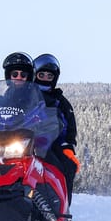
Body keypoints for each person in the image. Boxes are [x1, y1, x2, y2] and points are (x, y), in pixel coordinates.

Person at [33, 53, 79, 205]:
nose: (45, 78)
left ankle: (62, 211)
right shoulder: (24, 95)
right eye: (41, 74)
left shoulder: (60, 101)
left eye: (49, 76)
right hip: (19, 140)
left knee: (67, 165)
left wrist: (68, 146)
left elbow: (70, 127)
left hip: (49, 143)